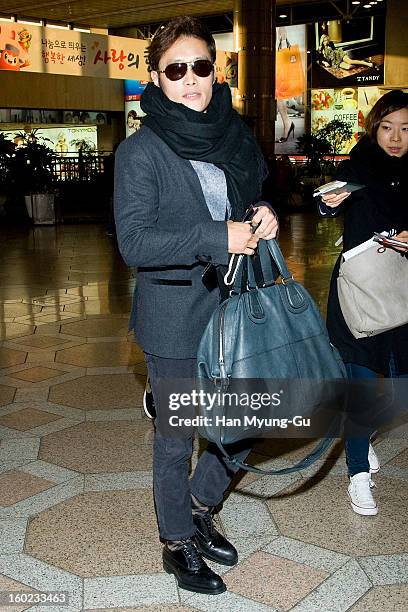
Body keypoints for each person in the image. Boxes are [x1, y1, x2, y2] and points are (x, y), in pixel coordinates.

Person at [114, 16, 278, 595]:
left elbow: (247, 198)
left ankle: (200, 504)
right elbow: (134, 243)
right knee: (177, 437)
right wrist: (218, 236)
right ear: (156, 79)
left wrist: (262, 216)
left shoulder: (233, 135)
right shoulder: (140, 152)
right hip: (175, 318)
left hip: (234, 309)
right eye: (175, 69)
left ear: (216, 71)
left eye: (200, 67)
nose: (190, 80)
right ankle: (177, 540)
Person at [318, 90, 408, 516]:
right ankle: (357, 474)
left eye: (406, 129)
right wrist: (329, 199)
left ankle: (362, 433)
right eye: (387, 127)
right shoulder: (360, 166)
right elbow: (330, 196)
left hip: (403, 292)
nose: (395, 137)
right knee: (361, 380)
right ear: (375, 129)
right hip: (360, 289)